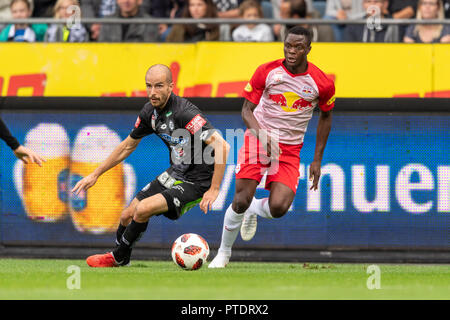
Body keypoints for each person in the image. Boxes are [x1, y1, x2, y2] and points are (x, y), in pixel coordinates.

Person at [72, 64, 230, 267]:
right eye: (149, 86)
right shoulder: (149, 113)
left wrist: (214, 189)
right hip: (176, 172)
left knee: (143, 209)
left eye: (159, 86)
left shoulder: (184, 113)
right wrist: (95, 174)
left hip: (198, 181)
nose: (152, 92)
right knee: (127, 215)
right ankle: (122, 257)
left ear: (171, 87)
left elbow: (222, 146)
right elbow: (127, 146)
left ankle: (117, 257)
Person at [208, 26, 335, 268]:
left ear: (309, 49)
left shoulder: (321, 83)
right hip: (258, 138)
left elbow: (326, 117)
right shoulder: (267, 71)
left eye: (298, 47)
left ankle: (255, 209)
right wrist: (263, 136)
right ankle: (223, 253)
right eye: (288, 45)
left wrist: (317, 160)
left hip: (289, 149)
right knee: (240, 199)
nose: (292, 51)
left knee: (278, 208)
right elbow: (246, 111)